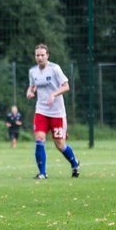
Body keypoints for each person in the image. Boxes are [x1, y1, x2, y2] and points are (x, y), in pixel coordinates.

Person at [26, 44, 80, 179]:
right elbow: (32, 86)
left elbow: (66, 86)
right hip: (41, 111)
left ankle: (75, 163)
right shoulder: (33, 71)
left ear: (47, 56)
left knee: (60, 145)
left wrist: (53, 94)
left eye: (42, 55)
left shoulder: (55, 69)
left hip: (57, 113)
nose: (39, 57)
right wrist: (30, 92)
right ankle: (42, 173)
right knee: (39, 138)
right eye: (37, 55)